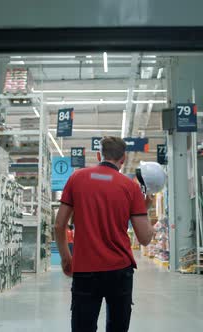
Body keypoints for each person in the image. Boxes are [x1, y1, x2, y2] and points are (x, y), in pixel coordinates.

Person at [55, 136, 155, 332]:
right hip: (120, 270)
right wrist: (146, 209)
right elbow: (144, 238)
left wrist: (67, 258)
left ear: (99, 154)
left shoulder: (76, 178)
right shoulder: (131, 187)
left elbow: (59, 225)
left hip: (85, 269)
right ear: (123, 158)